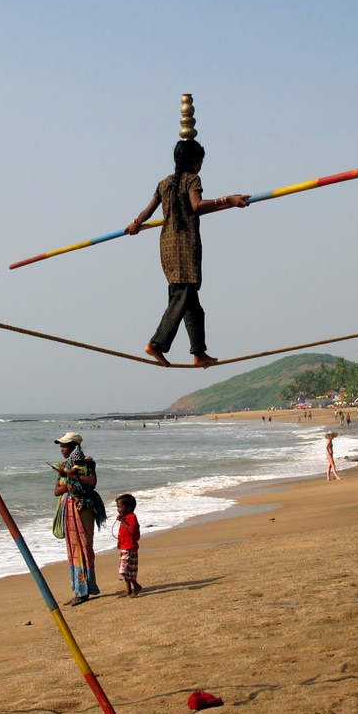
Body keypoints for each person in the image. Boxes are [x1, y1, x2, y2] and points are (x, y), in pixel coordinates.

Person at [126, 101, 249, 369]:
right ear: (195, 161)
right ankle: (157, 343)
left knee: (192, 304)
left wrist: (135, 224)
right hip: (184, 246)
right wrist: (228, 200)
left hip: (167, 247)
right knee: (182, 297)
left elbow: (147, 212)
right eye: (201, 161)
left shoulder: (164, 183)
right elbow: (197, 206)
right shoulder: (191, 179)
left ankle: (199, 353)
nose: (201, 165)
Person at [51, 432, 106, 605]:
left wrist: (69, 475)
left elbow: (91, 481)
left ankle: (85, 590)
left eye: (65, 446)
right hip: (69, 507)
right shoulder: (65, 465)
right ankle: (78, 589)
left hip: (82, 508)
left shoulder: (86, 462)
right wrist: (66, 482)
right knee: (74, 550)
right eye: (61, 446)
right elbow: (56, 491)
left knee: (84, 547)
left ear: (74, 447)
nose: (62, 449)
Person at [114, 494, 142, 597]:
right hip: (125, 547)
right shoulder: (125, 517)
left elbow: (131, 530)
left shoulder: (132, 517)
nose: (118, 509)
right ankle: (128, 590)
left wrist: (122, 521)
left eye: (120, 507)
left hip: (130, 547)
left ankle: (136, 585)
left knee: (125, 569)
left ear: (128, 508)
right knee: (127, 570)